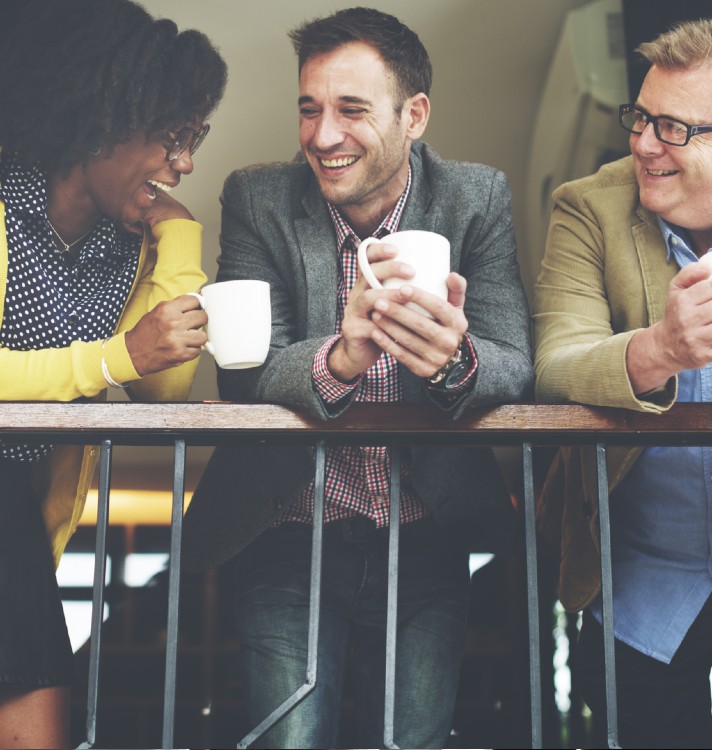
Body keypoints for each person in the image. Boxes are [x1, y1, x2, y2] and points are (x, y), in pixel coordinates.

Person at [182, 6, 533, 748]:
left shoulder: (477, 196)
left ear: (415, 115)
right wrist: (342, 355)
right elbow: (244, 372)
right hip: (287, 528)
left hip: (429, 532)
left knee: (412, 741)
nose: (322, 135)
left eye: (350, 110)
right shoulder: (258, 196)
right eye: (308, 109)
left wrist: (454, 359)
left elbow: (515, 361)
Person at [0, 0, 227, 746]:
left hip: (18, 517)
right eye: (172, 137)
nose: (184, 162)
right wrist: (112, 358)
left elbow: (162, 385)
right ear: (102, 119)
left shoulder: (122, 245)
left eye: (194, 140)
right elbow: (124, 361)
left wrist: (182, 237)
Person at [534, 17, 712, 749]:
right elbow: (556, 364)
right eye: (640, 117)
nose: (643, 143)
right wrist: (661, 349)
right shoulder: (588, 207)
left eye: (673, 127)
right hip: (637, 581)